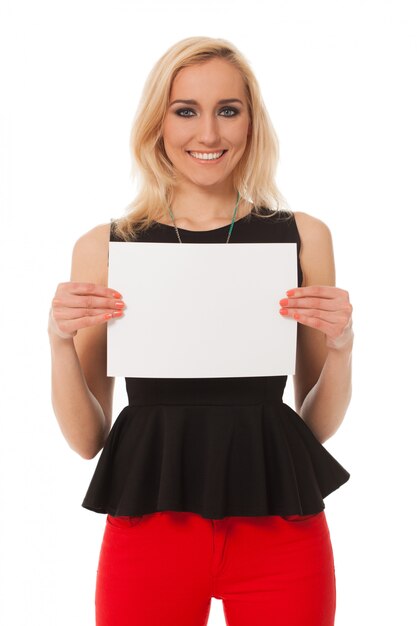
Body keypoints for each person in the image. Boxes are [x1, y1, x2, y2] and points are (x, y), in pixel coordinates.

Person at [48, 36, 354, 626]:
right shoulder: (107, 247)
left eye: (228, 111)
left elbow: (316, 427)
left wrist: (342, 348)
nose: (208, 135)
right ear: (157, 123)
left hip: (278, 525)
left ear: (250, 122)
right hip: (151, 520)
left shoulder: (303, 237)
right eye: (186, 110)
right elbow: (88, 440)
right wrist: (58, 341)